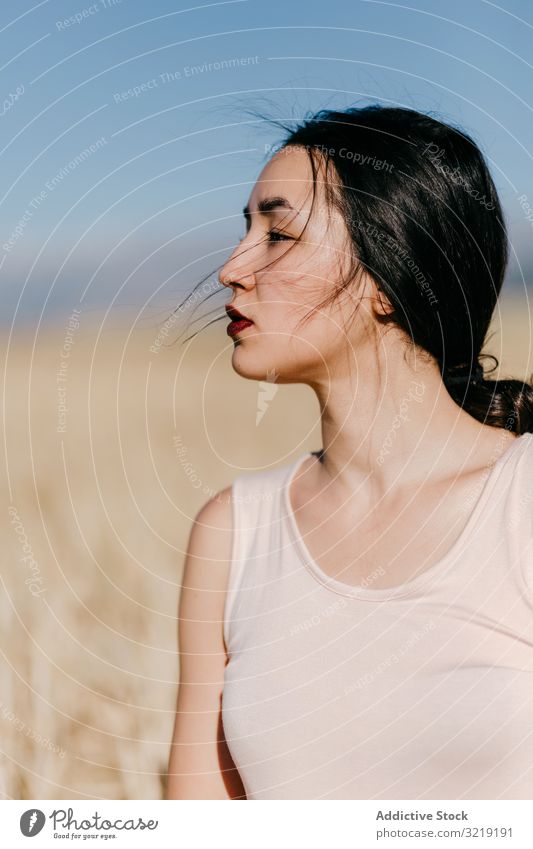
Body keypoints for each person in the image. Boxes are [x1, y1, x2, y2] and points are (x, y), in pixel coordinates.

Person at [165, 104, 533, 800]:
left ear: (386, 276)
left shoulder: (521, 504)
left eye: (277, 234)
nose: (230, 268)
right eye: (244, 230)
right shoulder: (233, 533)